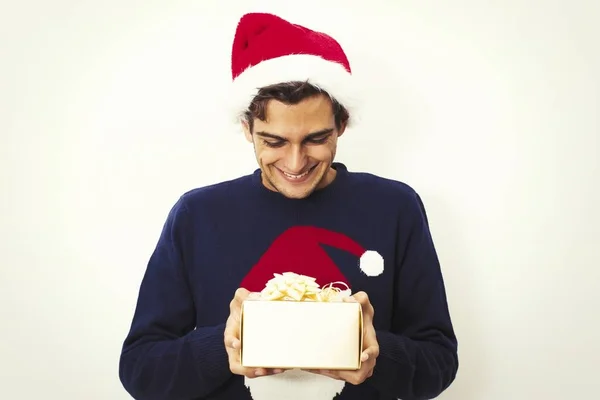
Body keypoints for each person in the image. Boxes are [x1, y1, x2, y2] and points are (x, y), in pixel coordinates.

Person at [119, 11, 458, 400]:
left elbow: (439, 364)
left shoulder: (394, 207)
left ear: (341, 124)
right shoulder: (198, 214)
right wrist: (224, 346)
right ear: (247, 128)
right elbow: (140, 369)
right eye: (275, 141)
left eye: (315, 138)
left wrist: (375, 355)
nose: (295, 163)